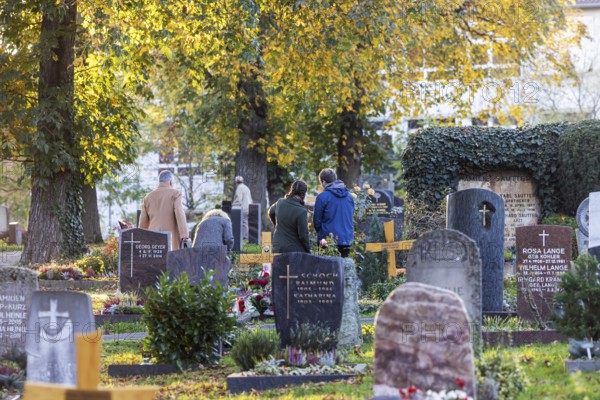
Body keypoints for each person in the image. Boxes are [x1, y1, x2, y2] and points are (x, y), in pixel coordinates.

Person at [139, 170, 189, 250]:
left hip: (153, 238)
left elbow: (143, 222)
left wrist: (141, 238)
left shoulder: (148, 197)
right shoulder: (176, 194)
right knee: (171, 260)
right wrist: (184, 235)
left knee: (157, 260)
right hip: (171, 238)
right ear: (171, 181)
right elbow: (179, 214)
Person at [313, 168, 355, 257]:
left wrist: (322, 235)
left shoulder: (322, 197)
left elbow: (317, 222)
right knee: (343, 269)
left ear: (324, 182)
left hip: (327, 240)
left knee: (326, 270)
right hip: (346, 239)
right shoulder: (349, 197)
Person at [268, 180, 310, 253]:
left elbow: (270, 212)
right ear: (303, 193)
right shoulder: (302, 211)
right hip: (294, 250)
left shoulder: (280, 202)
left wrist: (277, 224)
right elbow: (303, 236)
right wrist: (309, 249)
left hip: (277, 246)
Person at [232, 175, 253, 241]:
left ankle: (244, 237)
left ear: (236, 182)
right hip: (249, 207)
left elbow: (238, 199)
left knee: (243, 222)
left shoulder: (239, 188)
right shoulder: (246, 187)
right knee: (246, 222)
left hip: (243, 208)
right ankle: (246, 237)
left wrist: (233, 207)